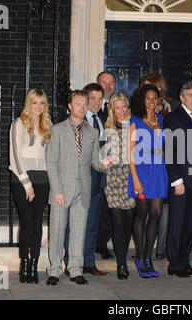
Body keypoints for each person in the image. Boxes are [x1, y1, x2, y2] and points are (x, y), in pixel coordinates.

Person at [45, 90, 110, 286]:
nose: (82, 108)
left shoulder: (92, 132)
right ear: (70, 106)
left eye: (84, 104)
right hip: (61, 189)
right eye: (78, 104)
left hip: (83, 189)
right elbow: (51, 162)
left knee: (79, 231)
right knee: (56, 231)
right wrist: (57, 190)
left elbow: (93, 161)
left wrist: (104, 164)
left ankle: (74, 269)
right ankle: (54, 270)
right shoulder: (57, 130)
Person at [163, 81, 192, 278]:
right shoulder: (174, 118)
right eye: (190, 95)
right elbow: (170, 152)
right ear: (181, 98)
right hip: (181, 181)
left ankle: (184, 260)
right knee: (178, 223)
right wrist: (176, 181)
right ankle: (174, 264)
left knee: (191, 224)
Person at [63, 83, 108, 276]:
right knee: (72, 225)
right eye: (93, 99)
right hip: (79, 181)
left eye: (100, 99)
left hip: (98, 181)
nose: (97, 103)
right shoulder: (76, 122)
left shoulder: (103, 120)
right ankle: (70, 263)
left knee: (92, 225)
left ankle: (89, 262)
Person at [9, 88, 51, 284]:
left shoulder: (47, 123)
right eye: (35, 103)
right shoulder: (18, 123)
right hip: (21, 179)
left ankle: (34, 265)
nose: (39, 107)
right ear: (29, 103)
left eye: (42, 103)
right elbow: (16, 156)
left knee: (37, 223)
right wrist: (26, 184)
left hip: (42, 179)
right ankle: (23, 264)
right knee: (26, 222)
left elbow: (49, 156)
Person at [128, 84, 169, 278]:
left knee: (156, 214)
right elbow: (130, 153)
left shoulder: (161, 119)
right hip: (142, 170)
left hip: (158, 169)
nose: (152, 101)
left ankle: (148, 257)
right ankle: (140, 257)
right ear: (141, 100)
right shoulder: (135, 121)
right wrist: (135, 178)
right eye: (148, 98)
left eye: (155, 98)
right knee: (142, 214)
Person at [139, 72, 173, 260]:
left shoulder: (168, 112)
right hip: (144, 165)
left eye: (151, 87)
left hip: (163, 164)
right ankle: (144, 251)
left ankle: (160, 248)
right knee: (144, 210)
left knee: (161, 209)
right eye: (145, 89)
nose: (149, 95)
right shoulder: (138, 113)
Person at [103, 92, 136, 279]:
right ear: (112, 110)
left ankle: (123, 258)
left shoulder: (135, 126)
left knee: (129, 223)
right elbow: (100, 153)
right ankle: (121, 263)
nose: (122, 110)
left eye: (124, 107)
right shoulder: (107, 129)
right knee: (118, 222)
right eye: (118, 107)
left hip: (131, 178)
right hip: (113, 180)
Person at [96, 71, 117, 260]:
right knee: (99, 207)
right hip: (97, 166)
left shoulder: (119, 108)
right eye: (104, 82)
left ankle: (104, 243)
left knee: (110, 209)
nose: (108, 86)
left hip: (116, 167)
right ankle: (98, 243)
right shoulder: (93, 109)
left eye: (111, 83)